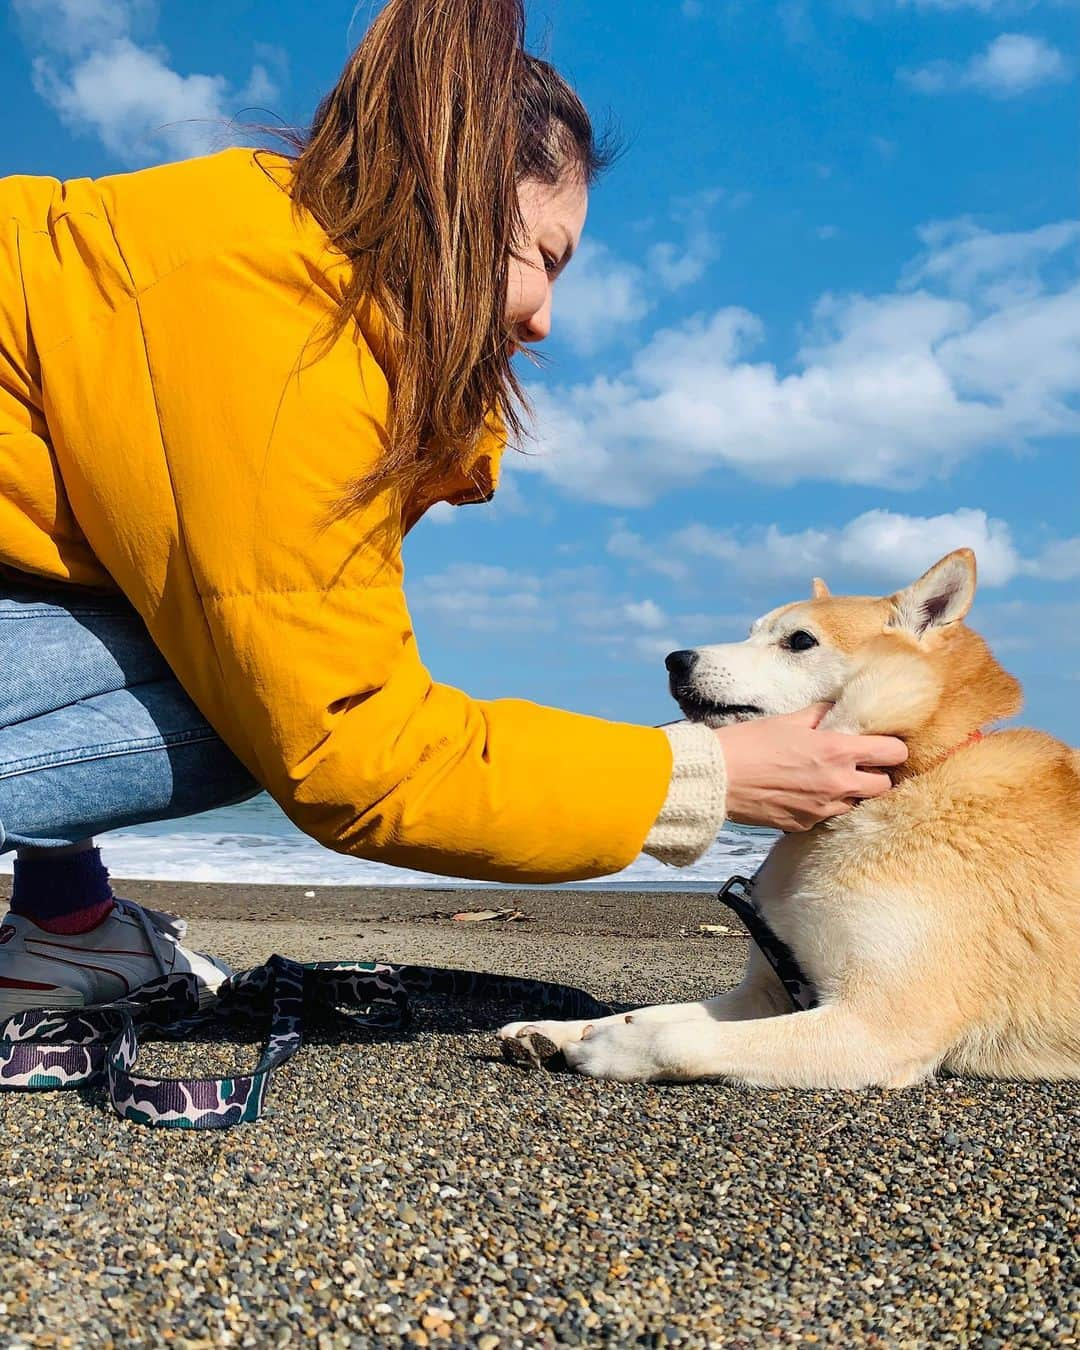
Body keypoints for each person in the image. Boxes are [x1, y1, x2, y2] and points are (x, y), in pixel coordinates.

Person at [0, 0, 906, 1016]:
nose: (547, 318)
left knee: (218, 638)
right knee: (248, 700)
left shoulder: (255, 251)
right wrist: (702, 773)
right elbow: (354, 753)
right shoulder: (272, 321)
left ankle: (64, 924)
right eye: (547, 256)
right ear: (456, 188)